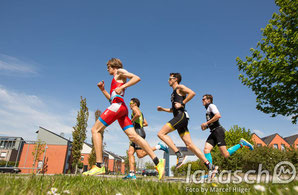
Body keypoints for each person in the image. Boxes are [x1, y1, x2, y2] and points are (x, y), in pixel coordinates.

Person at [83, 58, 165, 180]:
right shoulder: (115, 79)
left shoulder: (120, 71)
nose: (107, 69)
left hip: (118, 106)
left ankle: (99, 165)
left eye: (108, 67)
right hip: (120, 108)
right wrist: (103, 90)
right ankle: (158, 162)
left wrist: (123, 87)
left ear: (113, 66)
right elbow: (112, 99)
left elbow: (136, 78)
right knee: (134, 137)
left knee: (95, 130)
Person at [157, 73, 216, 176]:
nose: (168, 80)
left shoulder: (180, 87)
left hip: (181, 117)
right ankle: (209, 165)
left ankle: (178, 154)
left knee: (161, 134)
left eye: (170, 78)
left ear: (175, 79)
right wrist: (163, 109)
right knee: (189, 145)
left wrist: (182, 103)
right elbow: (174, 109)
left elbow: (192, 93)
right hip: (180, 117)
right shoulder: (173, 93)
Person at [201, 94, 254, 169]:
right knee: (206, 150)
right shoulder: (207, 110)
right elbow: (212, 122)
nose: (202, 101)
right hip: (213, 132)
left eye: (203, 99)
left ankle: (242, 144)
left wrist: (206, 123)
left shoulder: (211, 106)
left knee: (225, 154)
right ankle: (211, 170)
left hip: (218, 131)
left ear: (208, 100)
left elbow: (218, 116)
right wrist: (204, 127)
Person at [123, 98, 169, 180]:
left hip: (138, 133)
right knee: (130, 152)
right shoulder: (141, 112)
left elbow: (136, 114)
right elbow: (146, 123)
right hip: (137, 131)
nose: (129, 104)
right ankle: (131, 173)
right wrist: (137, 124)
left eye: (130, 103)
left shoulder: (135, 108)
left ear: (134, 103)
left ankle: (158, 147)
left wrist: (130, 122)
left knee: (140, 155)